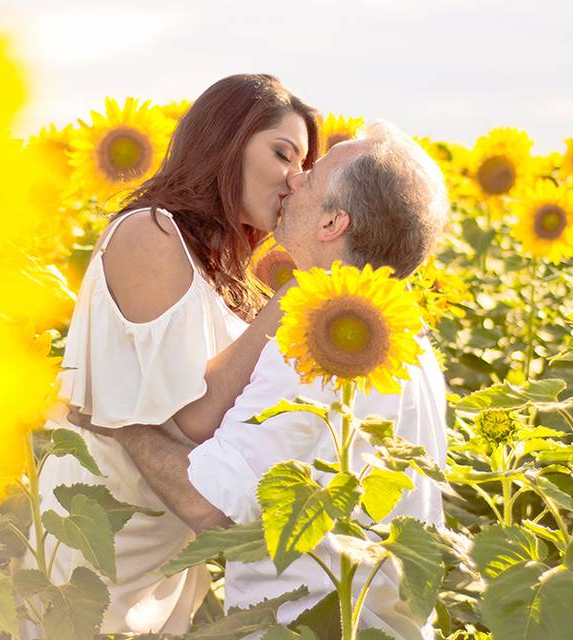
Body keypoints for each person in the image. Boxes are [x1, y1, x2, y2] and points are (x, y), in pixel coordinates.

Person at [78, 122, 451, 639]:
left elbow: (208, 505)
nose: (294, 179)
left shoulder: (318, 342)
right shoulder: (406, 337)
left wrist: (121, 421)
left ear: (332, 222)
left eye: (312, 177)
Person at [26, 74, 320, 636]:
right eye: (282, 153)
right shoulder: (151, 232)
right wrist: (294, 295)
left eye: (304, 165)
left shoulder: (219, 262)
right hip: (100, 542)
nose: (294, 179)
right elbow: (194, 416)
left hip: (162, 545)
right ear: (225, 141)